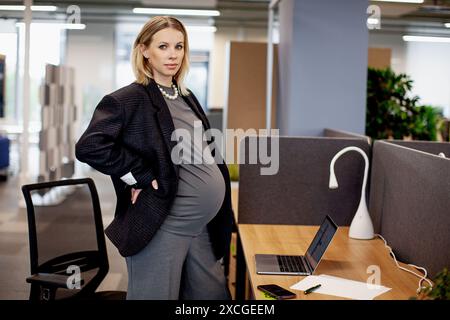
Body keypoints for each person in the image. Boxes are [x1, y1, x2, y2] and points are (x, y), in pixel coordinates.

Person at [75, 16, 233, 300]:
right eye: (163, 46)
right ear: (145, 50)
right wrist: (141, 175)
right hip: (165, 222)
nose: (173, 54)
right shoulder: (128, 99)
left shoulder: (187, 96)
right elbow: (89, 147)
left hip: (200, 225)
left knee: (213, 295)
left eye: (179, 46)